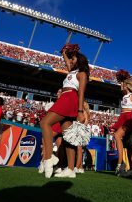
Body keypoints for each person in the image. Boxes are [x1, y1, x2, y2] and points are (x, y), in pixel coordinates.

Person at [40, 43, 89, 178]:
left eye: (74, 59)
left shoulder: (82, 73)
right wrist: (64, 52)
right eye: (71, 59)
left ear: (80, 61)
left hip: (70, 99)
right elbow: (66, 60)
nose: (71, 61)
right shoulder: (71, 71)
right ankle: (71, 170)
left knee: (45, 123)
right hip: (65, 98)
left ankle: (49, 157)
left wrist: (80, 111)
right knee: (68, 137)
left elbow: (82, 93)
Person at [112, 75, 132, 176]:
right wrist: (122, 78)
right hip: (122, 117)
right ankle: (131, 170)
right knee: (128, 145)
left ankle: (120, 163)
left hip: (129, 118)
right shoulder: (125, 95)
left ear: (128, 86)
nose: (122, 86)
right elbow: (121, 85)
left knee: (117, 136)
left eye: (124, 84)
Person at [38, 89, 63, 174]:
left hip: (60, 124)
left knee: (46, 139)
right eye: (57, 91)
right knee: (58, 144)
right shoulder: (55, 102)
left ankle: (45, 161)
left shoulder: (63, 101)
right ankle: (53, 164)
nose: (57, 93)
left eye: (60, 92)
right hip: (55, 124)